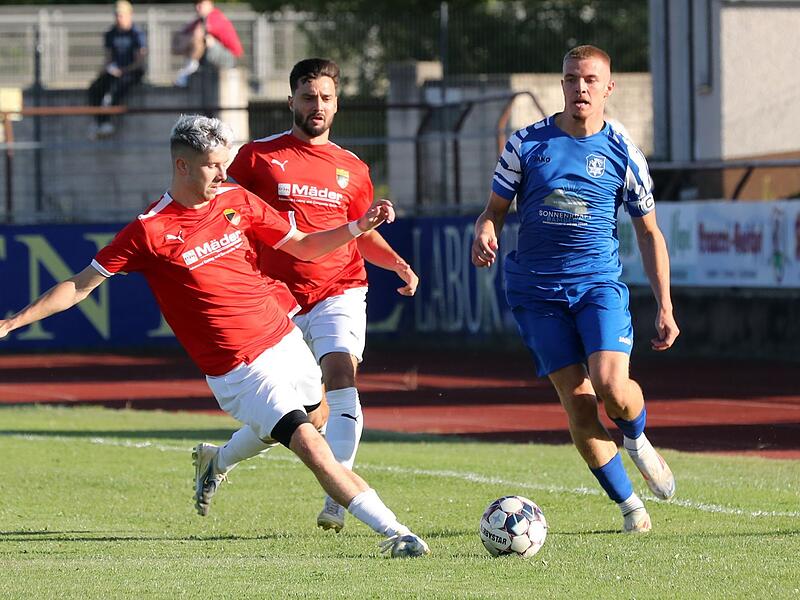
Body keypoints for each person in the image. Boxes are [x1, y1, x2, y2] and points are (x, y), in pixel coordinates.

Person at [0, 115, 429, 558]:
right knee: (312, 447)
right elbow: (80, 284)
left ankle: (216, 460)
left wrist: (358, 227)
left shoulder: (235, 200)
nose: (223, 173)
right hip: (240, 371)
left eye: (225, 163)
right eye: (212, 165)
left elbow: (302, 244)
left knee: (317, 416)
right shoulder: (149, 230)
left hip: (283, 339)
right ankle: (398, 533)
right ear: (182, 166)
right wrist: (11, 323)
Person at [192, 57, 419, 534]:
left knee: (341, 377)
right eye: (309, 96)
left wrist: (394, 260)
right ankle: (218, 461)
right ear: (291, 99)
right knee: (294, 415)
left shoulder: (353, 169)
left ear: (337, 106)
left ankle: (338, 498)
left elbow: (357, 232)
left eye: (326, 98)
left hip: (340, 288)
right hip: (274, 299)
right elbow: (224, 210)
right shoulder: (256, 157)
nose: (317, 105)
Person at [472, 45, 679, 533]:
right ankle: (631, 509)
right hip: (536, 291)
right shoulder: (526, 144)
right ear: (561, 84)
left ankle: (637, 437)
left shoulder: (623, 150)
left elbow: (649, 232)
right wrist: (486, 230)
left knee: (611, 386)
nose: (579, 88)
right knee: (578, 400)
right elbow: (493, 212)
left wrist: (666, 306)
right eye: (570, 79)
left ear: (609, 88)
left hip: (596, 284)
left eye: (589, 79)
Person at [87, 1, 147, 139]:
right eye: (116, 15)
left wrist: (124, 70)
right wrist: (105, 70)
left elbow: (140, 61)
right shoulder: (111, 33)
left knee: (116, 90)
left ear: (129, 15)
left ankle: (107, 121)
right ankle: (100, 122)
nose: (118, 18)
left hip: (132, 71)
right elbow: (108, 58)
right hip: (116, 71)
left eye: (121, 15)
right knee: (95, 88)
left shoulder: (136, 34)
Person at [173, 0, 243, 87]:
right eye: (196, 4)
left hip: (230, 58)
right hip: (212, 57)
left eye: (201, 3)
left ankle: (191, 68)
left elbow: (199, 34)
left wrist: (187, 42)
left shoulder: (215, 17)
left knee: (203, 39)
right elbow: (179, 36)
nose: (197, 7)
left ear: (210, 4)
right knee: (188, 38)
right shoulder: (199, 20)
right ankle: (191, 67)